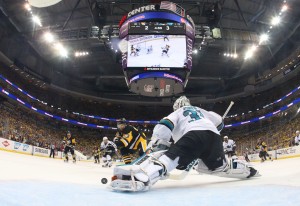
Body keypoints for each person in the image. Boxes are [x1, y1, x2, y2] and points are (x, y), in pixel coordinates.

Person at [110, 96, 260, 192]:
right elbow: (219, 123)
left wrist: (155, 144)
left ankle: (143, 178)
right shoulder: (201, 110)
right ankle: (248, 171)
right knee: (216, 168)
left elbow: (164, 127)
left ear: (176, 107)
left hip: (193, 136)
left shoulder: (177, 112)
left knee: (168, 159)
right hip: (214, 138)